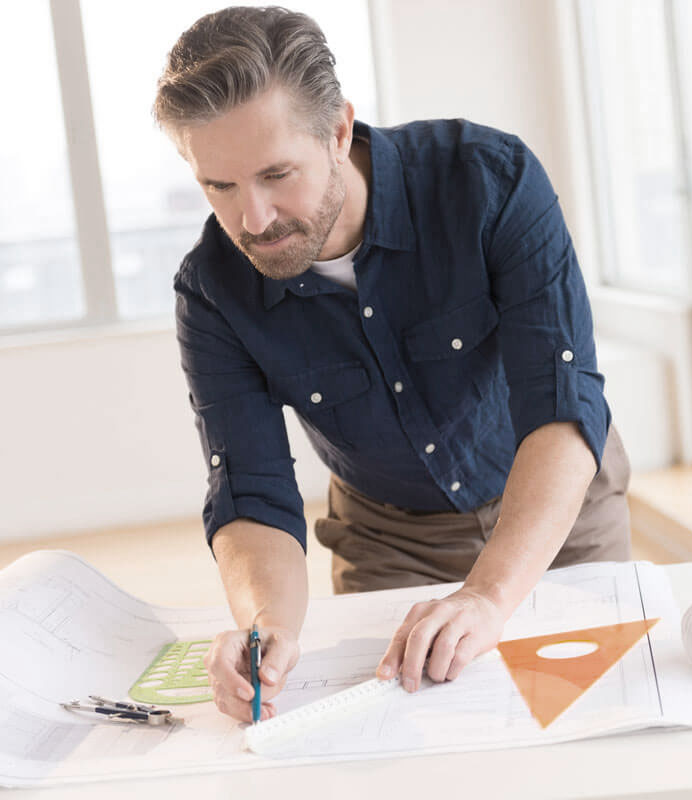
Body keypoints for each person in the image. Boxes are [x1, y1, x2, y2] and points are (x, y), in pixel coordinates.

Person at [153, 5, 631, 724]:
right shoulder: (213, 291)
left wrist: (488, 595)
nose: (253, 219)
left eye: (276, 174)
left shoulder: (488, 180)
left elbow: (562, 404)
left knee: (593, 724)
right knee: (415, 739)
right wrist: (265, 627)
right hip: (390, 537)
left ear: (339, 129)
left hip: (557, 509)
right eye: (218, 186)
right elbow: (249, 486)